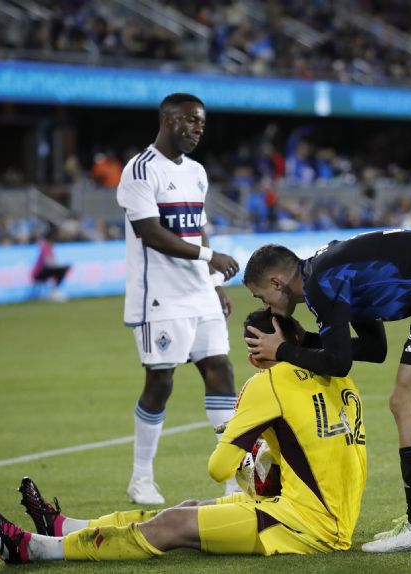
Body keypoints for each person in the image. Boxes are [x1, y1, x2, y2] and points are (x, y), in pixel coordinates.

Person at [0, 309, 367, 563]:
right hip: (327, 515)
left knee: (172, 524)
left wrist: (245, 448)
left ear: (255, 353)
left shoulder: (267, 382)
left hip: (305, 524)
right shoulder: (337, 373)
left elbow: (219, 468)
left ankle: (35, 549)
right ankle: (66, 526)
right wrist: (265, 458)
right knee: (190, 505)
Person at [243, 229, 411, 552]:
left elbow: (338, 363)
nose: (265, 306)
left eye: (260, 295)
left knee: (405, 404)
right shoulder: (325, 270)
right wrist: (304, 341)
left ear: (277, 283)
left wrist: (281, 351)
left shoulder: (321, 283)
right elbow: (374, 348)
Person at [116, 93, 241, 505]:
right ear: (169, 120)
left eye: (202, 124)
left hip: (199, 292)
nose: (197, 130)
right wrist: (210, 256)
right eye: (191, 121)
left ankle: (234, 478)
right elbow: (151, 232)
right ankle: (141, 478)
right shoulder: (139, 170)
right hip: (161, 298)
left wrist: (213, 280)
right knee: (161, 380)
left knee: (221, 370)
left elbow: (197, 229)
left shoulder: (197, 172)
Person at [31, 225, 72, 302]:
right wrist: (60, 266)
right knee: (61, 270)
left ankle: (54, 291)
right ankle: (54, 291)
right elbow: (48, 262)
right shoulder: (45, 247)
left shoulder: (49, 247)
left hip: (45, 271)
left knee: (62, 269)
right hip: (38, 273)